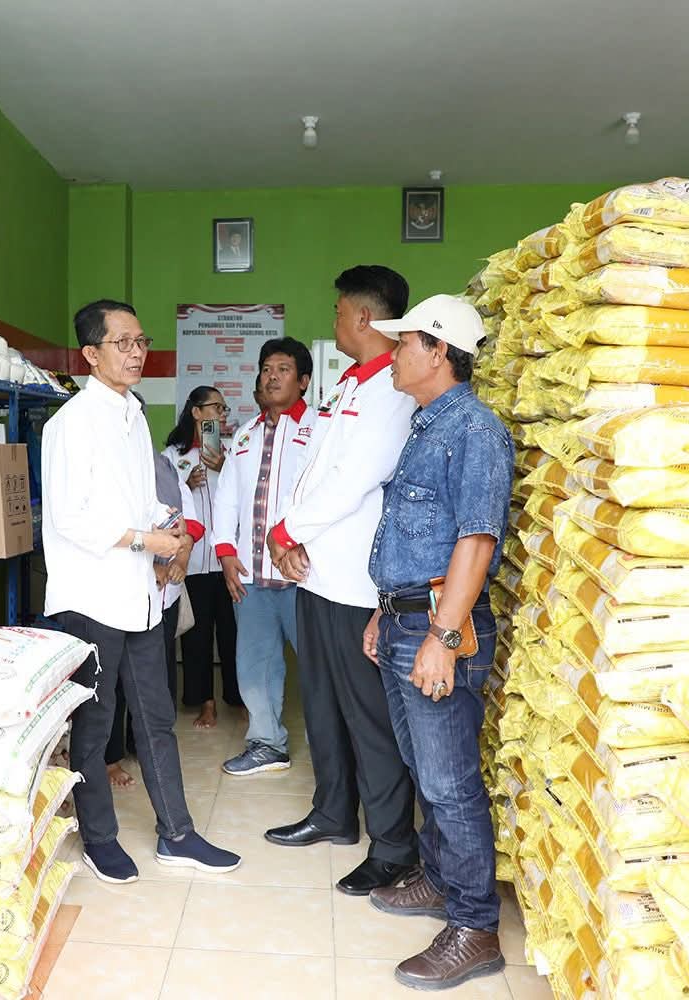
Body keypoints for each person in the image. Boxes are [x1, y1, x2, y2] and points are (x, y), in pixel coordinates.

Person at [42, 299, 241, 883]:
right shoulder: (71, 424)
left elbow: (139, 498)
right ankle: (100, 839)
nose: (136, 353)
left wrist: (167, 523)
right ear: (90, 353)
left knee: (156, 717)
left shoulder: (133, 413)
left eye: (140, 341)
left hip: (141, 598)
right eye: (122, 343)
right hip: (92, 598)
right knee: (96, 723)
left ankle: (177, 833)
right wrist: (143, 539)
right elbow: (68, 518)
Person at [362, 294, 513, 990]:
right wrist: (385, 612)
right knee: (427, 770)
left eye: (402, 344)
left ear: (438, 351)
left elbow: (475, 541)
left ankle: (475, 927)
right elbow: (413, 536)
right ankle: (440, 878)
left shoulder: (474, 430)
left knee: (451, 786)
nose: (392, 355)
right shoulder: (427, 426)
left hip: (437, 627)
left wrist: (444, 637)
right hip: (404, 619)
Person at [262, 266, 419, 896]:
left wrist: (286, 530)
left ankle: (393, 846)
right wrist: (289, 536)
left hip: (356, 585)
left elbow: (354, 480)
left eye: (337, 311)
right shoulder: (349, 383)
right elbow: (314, 474)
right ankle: (332, 814)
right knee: (322, 706)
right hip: (317, 576)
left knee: (369, 719)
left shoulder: (392, 391)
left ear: (363, 317)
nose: (333, 321)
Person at [209, 337, 315, 776]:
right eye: (266, 369)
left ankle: (336, 750)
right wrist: (225, 552)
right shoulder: (246, 435)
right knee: (255, 664)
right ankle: (268, 744)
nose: (272, 377)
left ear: (303, 381)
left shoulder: (320, 430)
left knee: (321, 668)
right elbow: (227, 497)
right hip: (251, 575)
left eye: (283, 369)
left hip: (305, 578)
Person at [107, 396, 203, 788]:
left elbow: (187, 522)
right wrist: (155, 563)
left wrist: (181, 557)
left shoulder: (162, 466)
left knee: (155, 678)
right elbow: (108, 533)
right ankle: (111, 756)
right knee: (114, 681)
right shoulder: (109, 468)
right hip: (122, 592)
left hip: (164, 596)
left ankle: (140, 744)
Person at [161, 386, 240, 729]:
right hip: (190, 563)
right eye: (216, 408)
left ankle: (238, 697)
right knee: (198, 637)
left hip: (228, 560)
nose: (221, 415)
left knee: (233, 633)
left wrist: (225, 467)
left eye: (224, 410)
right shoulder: (171, 456)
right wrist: (187, 485)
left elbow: (247, 495)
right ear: (196, 412)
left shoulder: (233, 451)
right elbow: (162, 506)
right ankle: (205, 702)